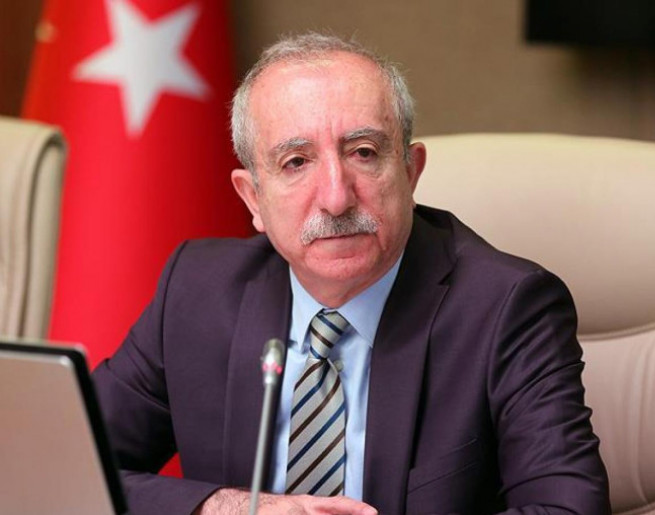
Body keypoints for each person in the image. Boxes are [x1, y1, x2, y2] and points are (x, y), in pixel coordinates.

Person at [92, 32, 610, 514]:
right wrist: (227, 508)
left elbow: (568, 509)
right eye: (296, 162)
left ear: (410, 172)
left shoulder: (507, 308)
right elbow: (68, 465)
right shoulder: (197, 291)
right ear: (252, 198)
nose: (337, 198)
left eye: (363, 153)